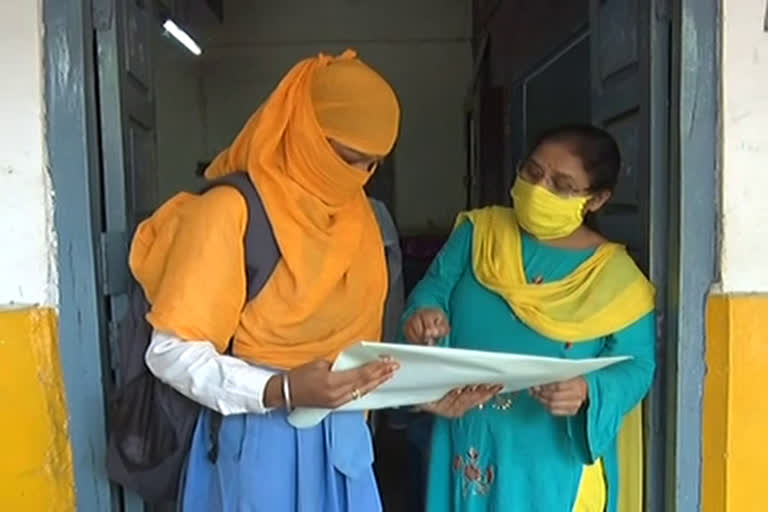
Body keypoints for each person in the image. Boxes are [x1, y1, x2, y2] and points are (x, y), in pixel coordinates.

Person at [129, 50, 401, 512]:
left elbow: (367, 348)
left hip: (346, 449)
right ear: (305, 131)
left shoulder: (364, 219)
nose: (356, 178)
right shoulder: (229, 211)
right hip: (258, 447)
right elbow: (170, 352)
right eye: (346, 158)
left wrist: (431, 391)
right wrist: (283, 391)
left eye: (371, 165)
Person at [403, 125, 656, 512]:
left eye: (562, 185)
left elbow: (639, 365)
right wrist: (425, 313)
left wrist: (588, 389)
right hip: (470, 433)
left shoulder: (617, 279)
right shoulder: (479, 232)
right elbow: (434, 287)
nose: (540, 190)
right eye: (533, 172)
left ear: (596, 199)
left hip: (552, 456)